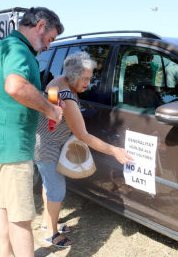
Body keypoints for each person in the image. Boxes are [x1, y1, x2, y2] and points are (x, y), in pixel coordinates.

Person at [0, 7, 64, 257]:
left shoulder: (6, 45)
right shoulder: (20, 50)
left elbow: (15, 91)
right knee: (22, 219)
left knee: (2, 207)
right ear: (40, 26)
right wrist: (50, 109)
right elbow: (15, 86)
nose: (48, 46)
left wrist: (45, 100)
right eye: (50, 39)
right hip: (12, 148)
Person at [34, 51, 134, 247]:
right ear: (72, 76)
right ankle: (51, 235)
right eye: (85, 79)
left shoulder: (59, 80)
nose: (88, 84)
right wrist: (113, 150)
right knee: (57, 190)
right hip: (48, 147)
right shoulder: (68, 97)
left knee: (49, 185)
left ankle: (48, 223)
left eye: (90, 78)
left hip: (44, 141)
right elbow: (83, 135)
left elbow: (52, 103)